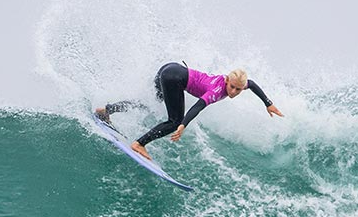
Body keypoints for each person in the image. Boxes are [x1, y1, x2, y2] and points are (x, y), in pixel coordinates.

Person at [95, 62, 284, 160]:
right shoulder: (217, 90)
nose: (233, 92)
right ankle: (139, 144)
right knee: (174, 121)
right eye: (232, 87)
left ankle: (107, 110)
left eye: (237, 89)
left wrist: (268, 103)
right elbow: (198, 106)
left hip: (170, 68)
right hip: (174, 78)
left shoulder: (239, 83)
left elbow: (252, 85)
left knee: (149, 103)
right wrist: (183, 124)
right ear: (227, 80)